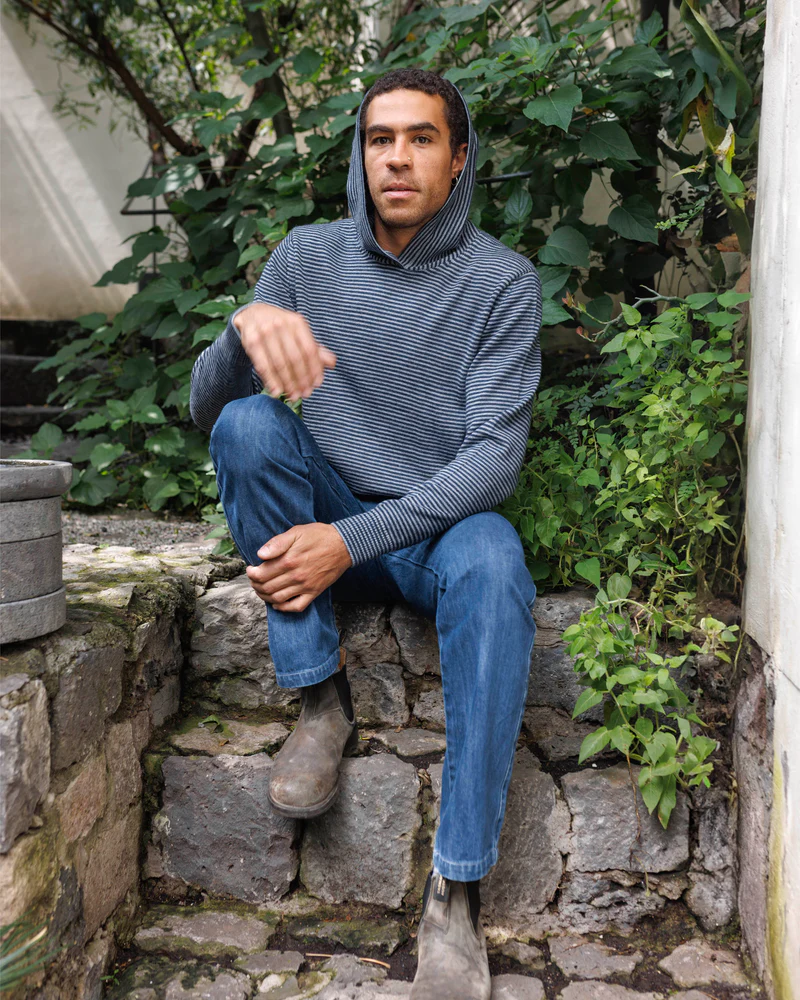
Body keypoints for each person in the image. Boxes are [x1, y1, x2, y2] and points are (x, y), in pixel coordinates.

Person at [189, 67, 542, 1000]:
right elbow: (206, 413)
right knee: (248, 427)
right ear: (361, 151)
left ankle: (456, 895)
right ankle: (320, 699)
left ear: (457, 159)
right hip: (330, 507)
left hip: (435, 534)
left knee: (496, 555)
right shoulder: (308, 259)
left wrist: (350, 541)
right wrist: (243, 327)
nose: (397, 157)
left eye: (421, 138)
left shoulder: (502, 282)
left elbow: (492, 463)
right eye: (380, 138)